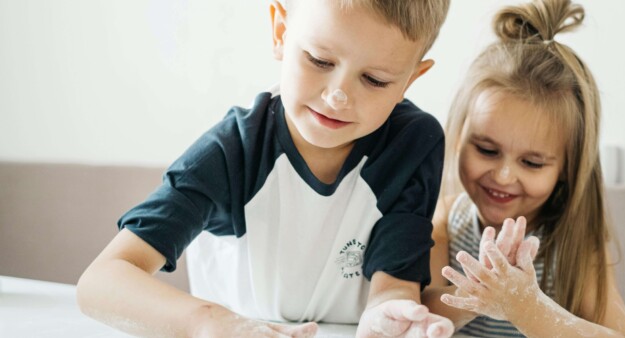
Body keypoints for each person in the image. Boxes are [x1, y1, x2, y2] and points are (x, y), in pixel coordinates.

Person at [76, 0, 455, 337]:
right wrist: (207, 322)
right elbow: (101, 281)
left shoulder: (414, 143)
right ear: (280, 31)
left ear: (410, 79)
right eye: (320, 60)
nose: (338, 95)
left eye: (375, 80)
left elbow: (394, 283)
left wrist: (390, 314)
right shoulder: (232, 151)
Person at [421, 0, 625, 336]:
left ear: (567, 167)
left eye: (532, 162)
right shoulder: (446, 222)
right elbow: (420, 311)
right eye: (486, 149)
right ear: (458, 137)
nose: (504, 176)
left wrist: (524, 305)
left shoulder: (574, 242)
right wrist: (477, 291)